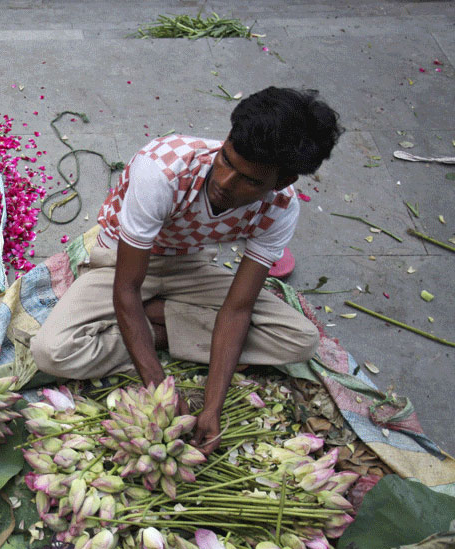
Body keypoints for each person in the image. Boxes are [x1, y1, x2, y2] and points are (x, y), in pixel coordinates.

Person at [31, 87, 343, 455]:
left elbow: (238, 307)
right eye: (227, 160)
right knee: (51, 351)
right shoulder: (162, 169)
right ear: (227, 140)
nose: (226, 182)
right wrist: (160, 387)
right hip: (121, 261)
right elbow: (127, 288)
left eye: (250, 181)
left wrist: (213, 407)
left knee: (301, 340)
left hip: (188, 266)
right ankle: (159, 328)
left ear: (282, 182)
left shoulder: (281, 208)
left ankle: (156, 328)